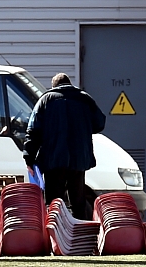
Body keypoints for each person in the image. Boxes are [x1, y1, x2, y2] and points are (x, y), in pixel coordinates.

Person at [23, 73, 106, 219]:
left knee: (54, 203)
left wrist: (29, 158)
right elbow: (100, 123)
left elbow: (33, 130)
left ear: (54, 86)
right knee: (78, 201)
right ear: (69, 84)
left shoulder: (45, 100)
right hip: (79, 158)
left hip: (53, 160)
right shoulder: (85, 99)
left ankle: (55, 236)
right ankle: (80, 236)